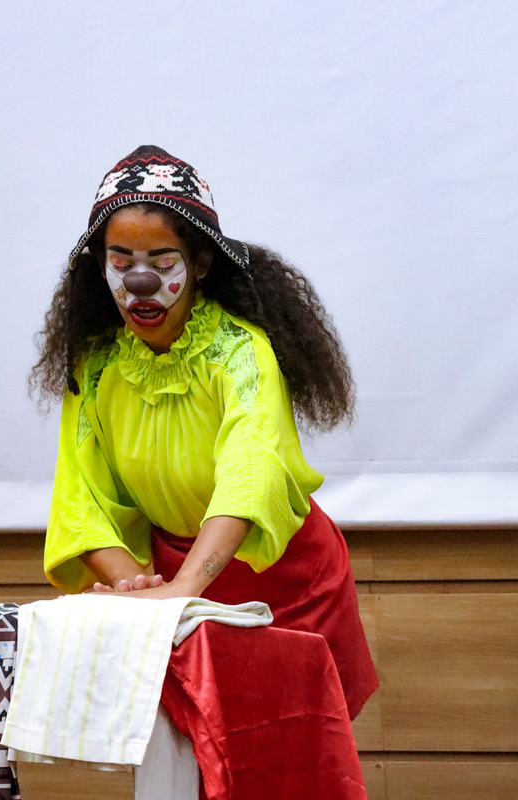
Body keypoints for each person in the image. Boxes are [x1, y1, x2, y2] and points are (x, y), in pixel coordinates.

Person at [30, 145, 377, 718]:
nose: (140, 281)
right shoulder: (94, 367)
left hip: (284, 584)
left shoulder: (242, 354)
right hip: (174, 586)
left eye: (162, 262)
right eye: (121, 261)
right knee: (197, 749)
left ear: (201, 264)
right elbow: (81, 496)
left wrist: (183, 589)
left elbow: (250, 475)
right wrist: (139, 589)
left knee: (287, 747)